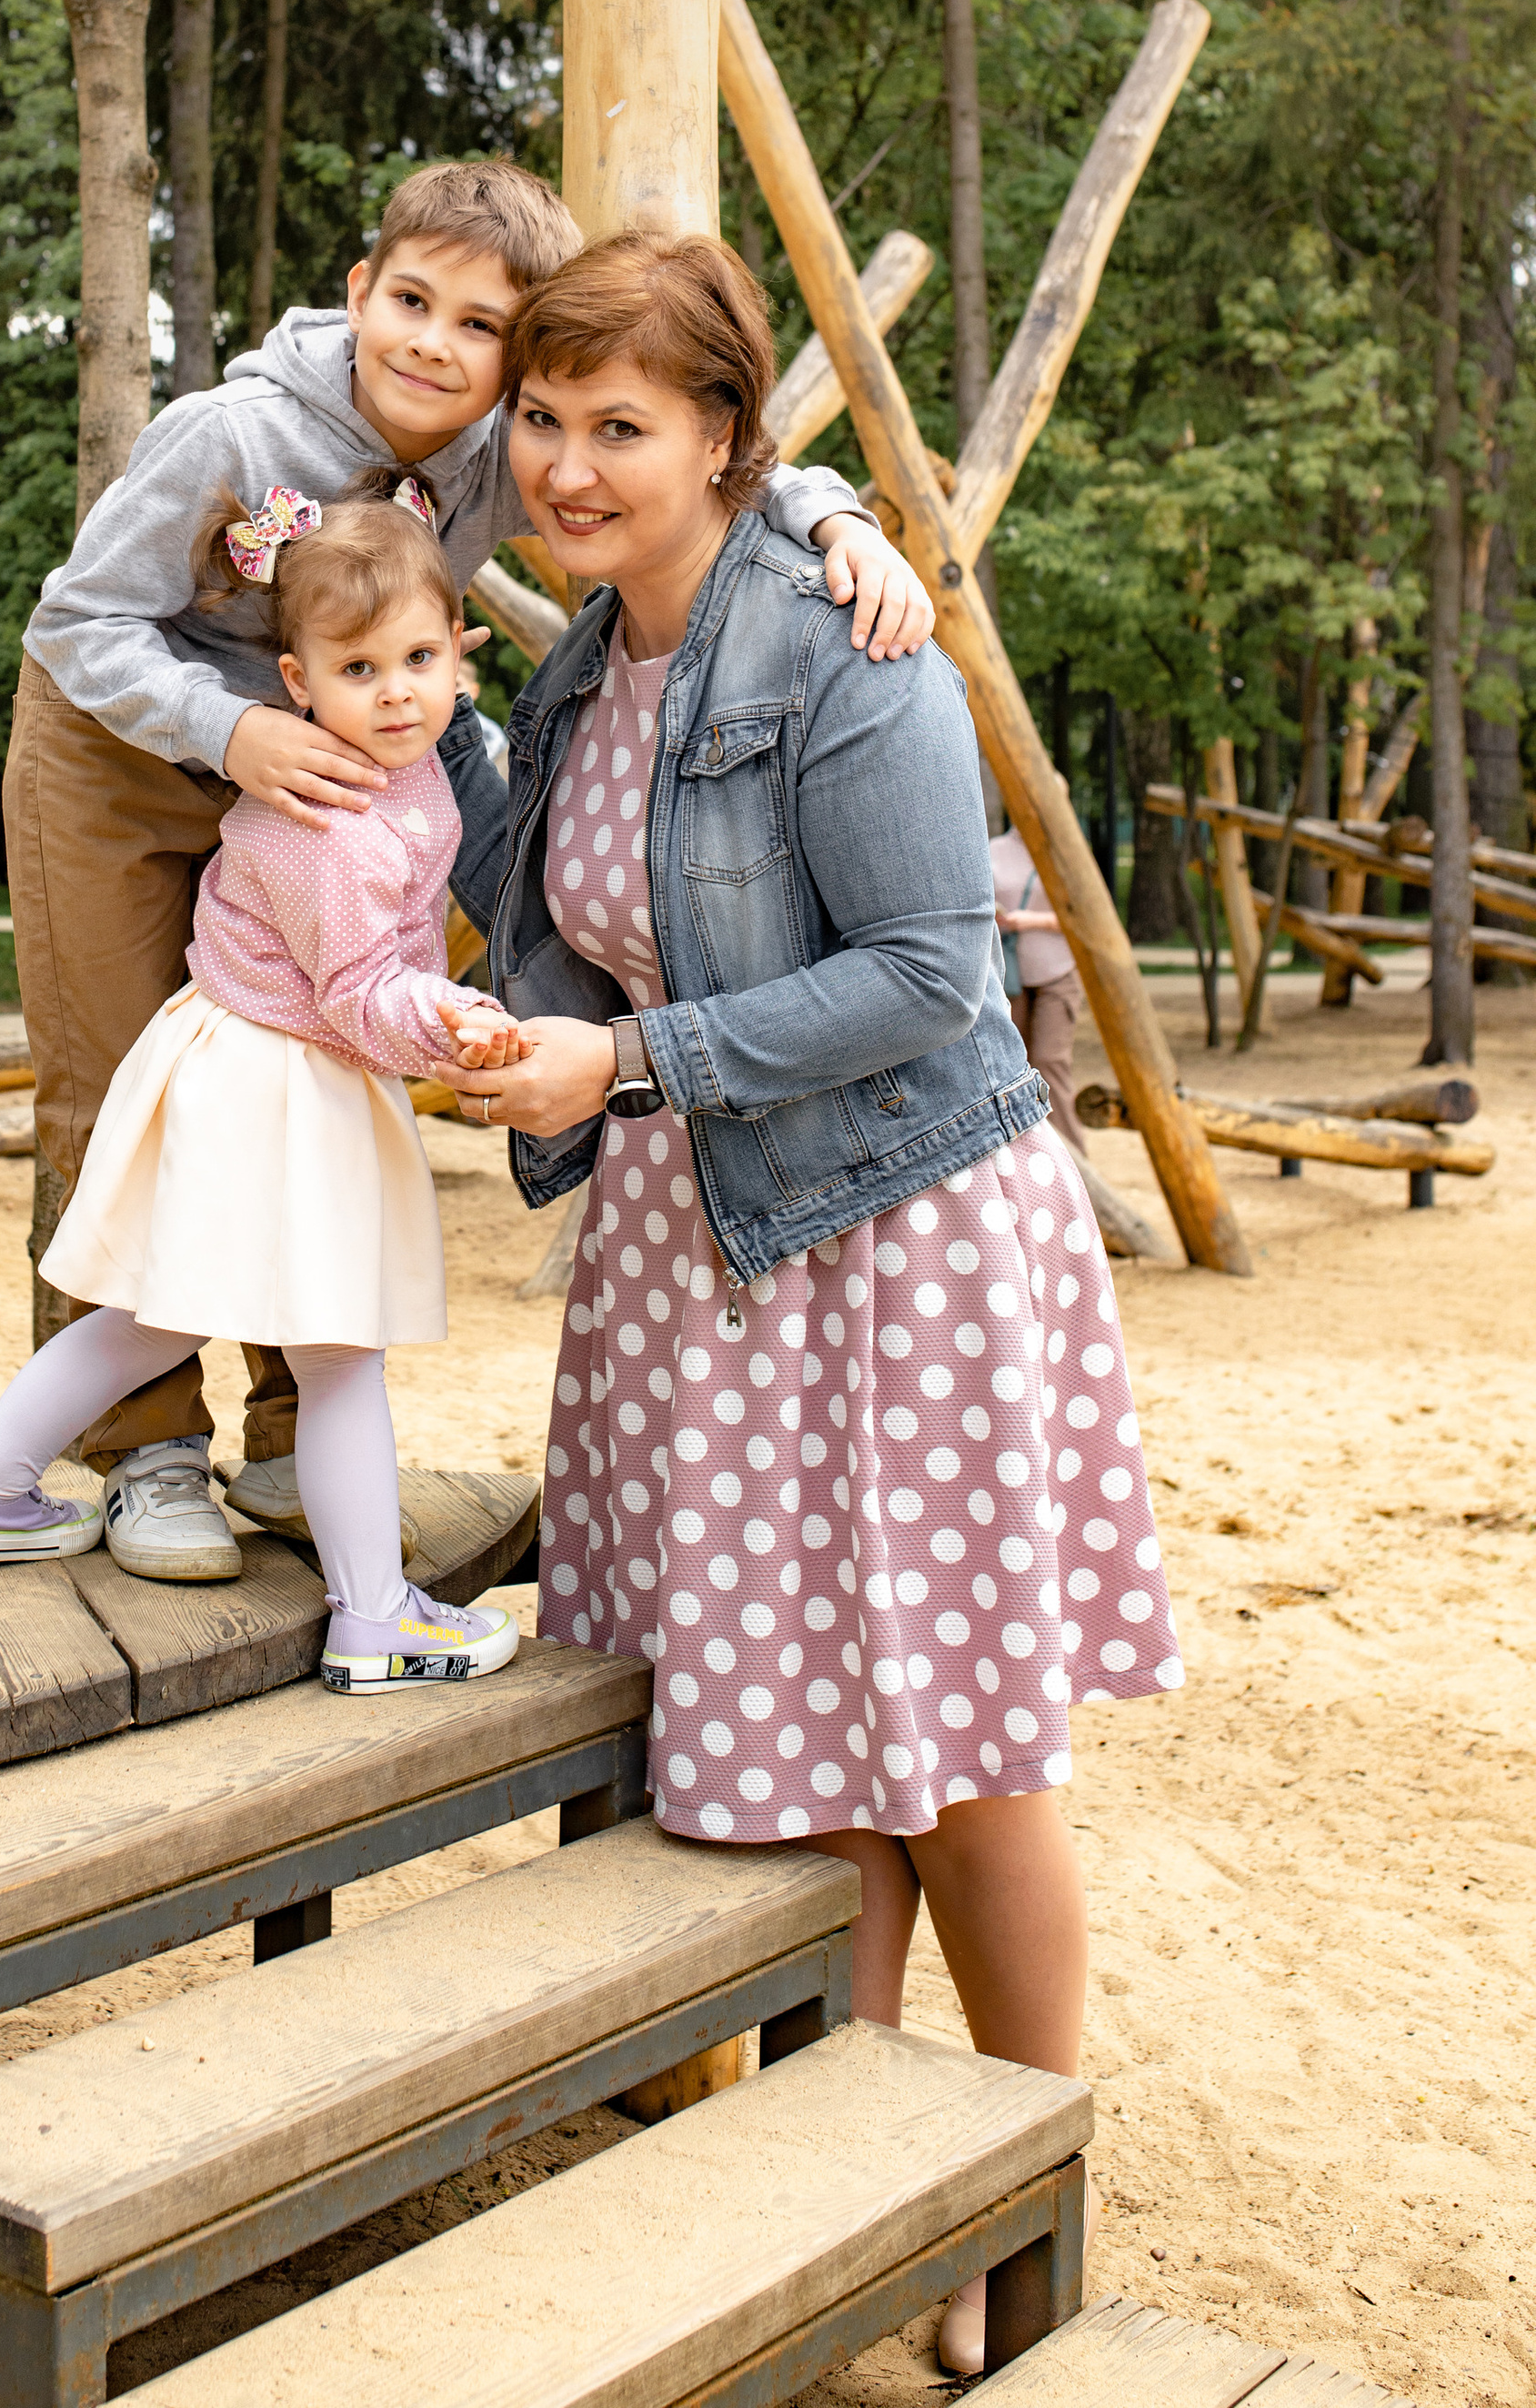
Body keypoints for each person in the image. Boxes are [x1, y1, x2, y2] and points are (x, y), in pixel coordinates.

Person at [427, 230, 1179, 2379]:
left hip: (888, 1239)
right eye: (545, 419)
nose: (565, 463)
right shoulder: (587, 648)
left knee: (945, 1751)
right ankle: (858, 2200)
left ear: (725, 441)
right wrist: (502, 1025)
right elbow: (576, 913)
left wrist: (627, 1063)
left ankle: (1019, 2200)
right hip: (696, 1243)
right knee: (787, 1747)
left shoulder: (836, 643)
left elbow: (932, 975)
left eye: (619, 426)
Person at [9, 156, 936, 1582]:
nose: (435, 344)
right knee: (134, 1082)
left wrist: (838, 518)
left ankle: (285, 1437)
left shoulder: (509, 446)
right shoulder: (232, 434)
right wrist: (235, 728)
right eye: (412, 301)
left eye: (482, 324)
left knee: (313, 1076)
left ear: (521, 354)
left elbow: (703, 438)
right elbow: (78, 621)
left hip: (332, 772)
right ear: (359, 291)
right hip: (129, 751)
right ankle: (143, 1449)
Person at [0, 479, 527, 1690]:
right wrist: (453, 1022)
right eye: (359, 670)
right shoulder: (329, 822)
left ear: (459, 651)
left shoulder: (403, 769)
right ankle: (373, 1617)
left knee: (156, 1312)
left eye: (418, 656)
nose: (396, 690)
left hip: (267, 1067)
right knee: (340, 1343)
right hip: (281, 1080)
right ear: (294, 685)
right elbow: (359, 993)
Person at [991, 799, 1086, 1151]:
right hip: (1010, 976)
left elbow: (1087, 917)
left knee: (1049, 1061)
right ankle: (1027, 1158)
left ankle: (1076, 1161)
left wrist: (1027, 921)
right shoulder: (995, 850)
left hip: (1057, 972)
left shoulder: (1066, 853)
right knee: (1013, 1067)